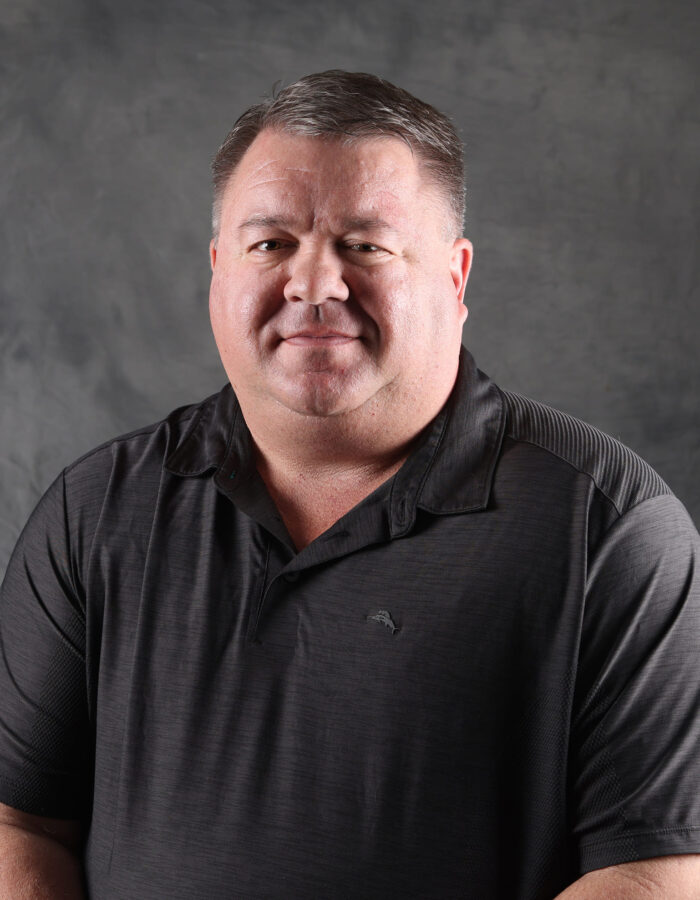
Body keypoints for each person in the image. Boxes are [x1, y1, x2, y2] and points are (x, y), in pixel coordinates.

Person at [0, 70, 699, 900]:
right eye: (271, 245)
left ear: (456, 275)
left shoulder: (609, 528)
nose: (315, 285)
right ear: (220, 268)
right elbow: (21, 824)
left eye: (365, 245)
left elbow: (653, 871)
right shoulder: (97, 511)